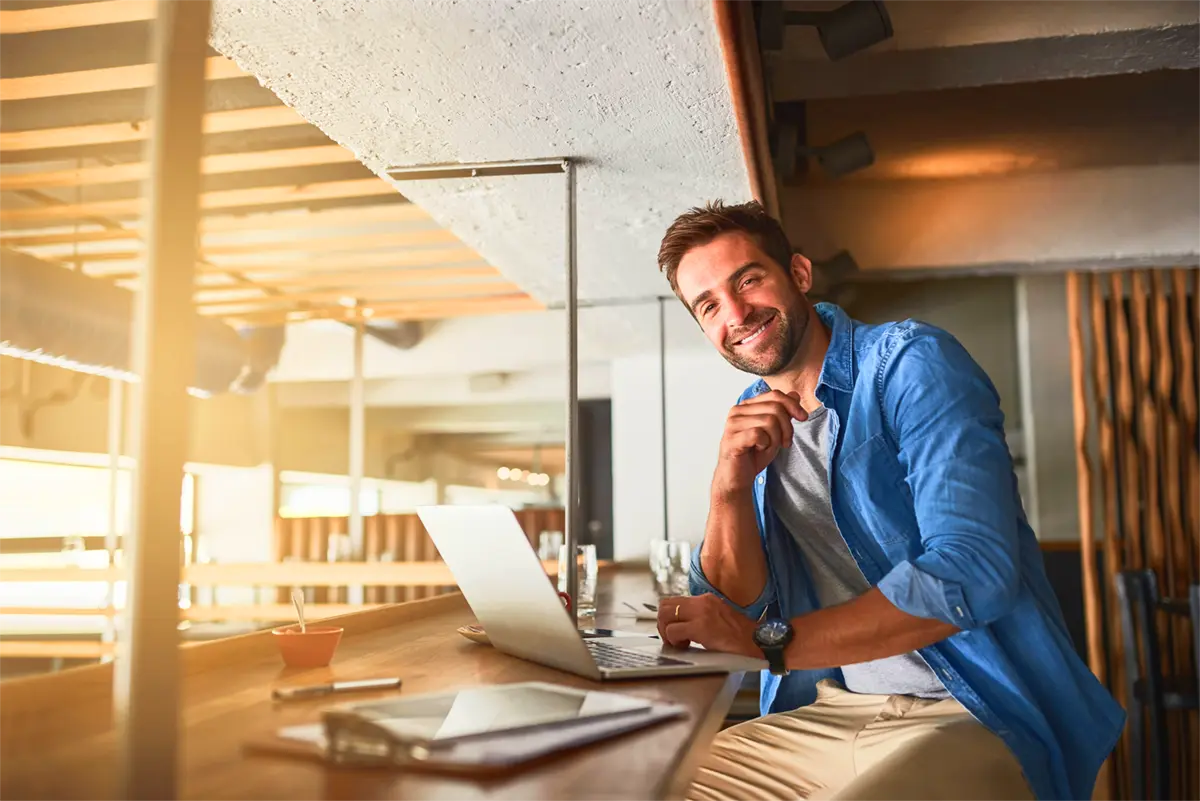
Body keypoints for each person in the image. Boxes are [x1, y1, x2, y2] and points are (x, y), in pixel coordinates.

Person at [652, 201, 1123, 801]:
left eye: (748, 280)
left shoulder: (910, 363)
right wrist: (728, 487)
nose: (737, 313)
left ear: (798, 273)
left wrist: (768, 642)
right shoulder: (753, 414)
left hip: (971, 709)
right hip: (830, 710)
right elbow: (732, 601)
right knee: (644, 784)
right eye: (710, 304)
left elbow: (973, 572)